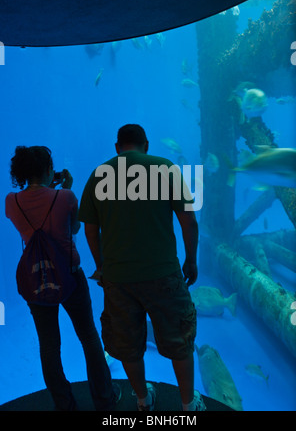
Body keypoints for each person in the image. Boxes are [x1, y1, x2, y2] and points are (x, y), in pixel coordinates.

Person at [78, 124, 206, 411]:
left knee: (128, 344)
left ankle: (142, 400)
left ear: (117, 147)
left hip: (118, 278)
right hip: (163, 274)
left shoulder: (100, 174)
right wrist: (191, 259)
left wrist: (102, 267)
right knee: (180, 341)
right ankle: (188, 404)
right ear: (146, 145)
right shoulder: (165, 168)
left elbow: (90, 230)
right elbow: (189, 221)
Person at [5, 145, 120, 411]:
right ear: (48, 170)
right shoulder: (65, 197)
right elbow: (75, 227)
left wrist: (46, 186)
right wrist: (65, 187)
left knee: (49, 346)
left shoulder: (12, 202)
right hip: (70, 277)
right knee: (89, 337)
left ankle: (64, 405)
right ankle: (104, 398)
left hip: (36, 281)